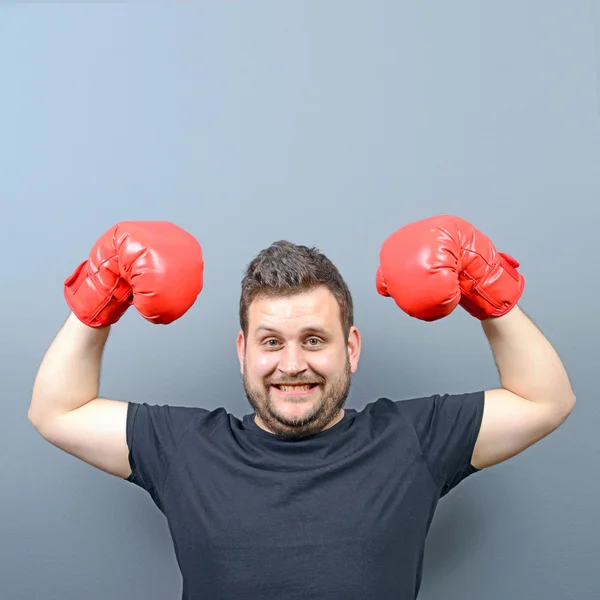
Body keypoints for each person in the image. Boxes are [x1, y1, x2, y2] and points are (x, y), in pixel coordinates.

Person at [28, 216, 576, 600]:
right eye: (271, 342)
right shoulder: (185, 447)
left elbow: (545, 400)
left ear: (351, 349)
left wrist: (489, 289)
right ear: (243, 353)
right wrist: (99, 296)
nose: (292, 364)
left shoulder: (413, 438)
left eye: (314, 339)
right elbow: (58, 411)